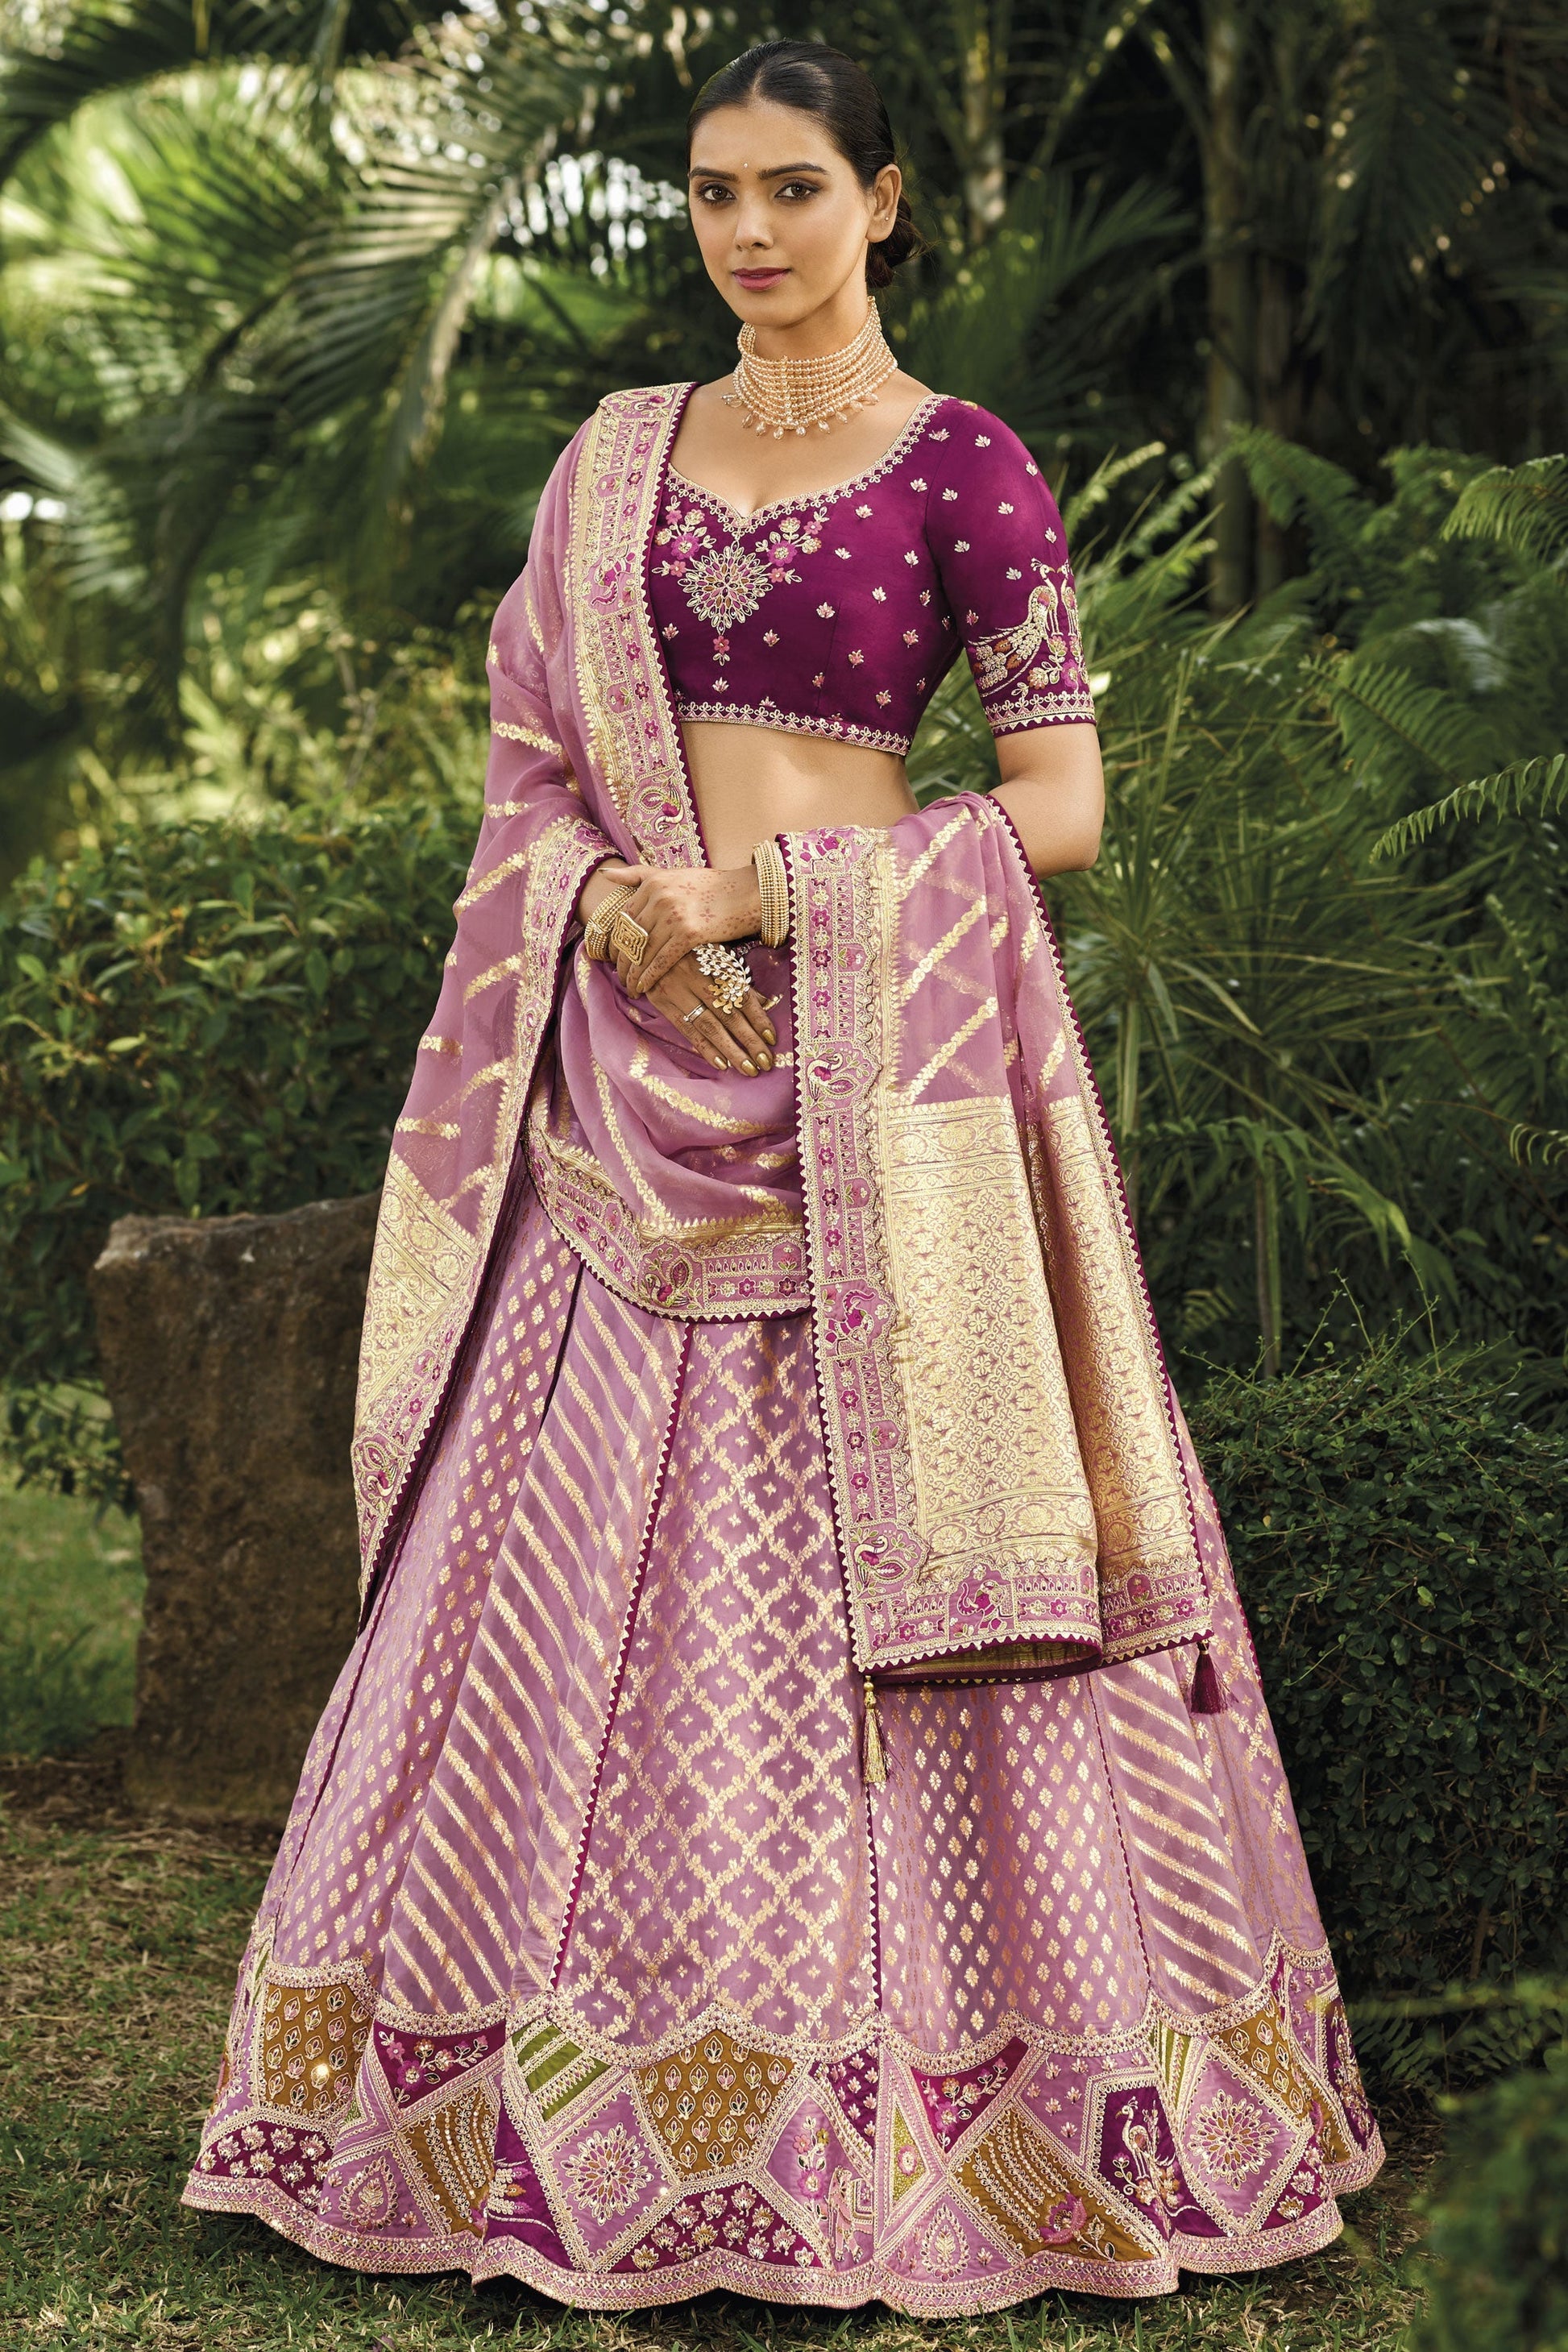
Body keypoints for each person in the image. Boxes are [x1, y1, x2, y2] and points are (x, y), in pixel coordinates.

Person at [184, 41, 1381, 2310]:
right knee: (548, 1603)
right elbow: (535, 765)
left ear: (883, 200)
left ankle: (985, 2118)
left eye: (795, 189)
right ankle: (510, 2105)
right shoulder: (613, 462)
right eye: (715, 191)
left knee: (893, 1586)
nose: (748, 230)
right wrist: (616, 909)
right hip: (619, 1086)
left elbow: (1057, 807)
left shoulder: (963, 464)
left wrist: (762, 902)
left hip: (871, 1093)